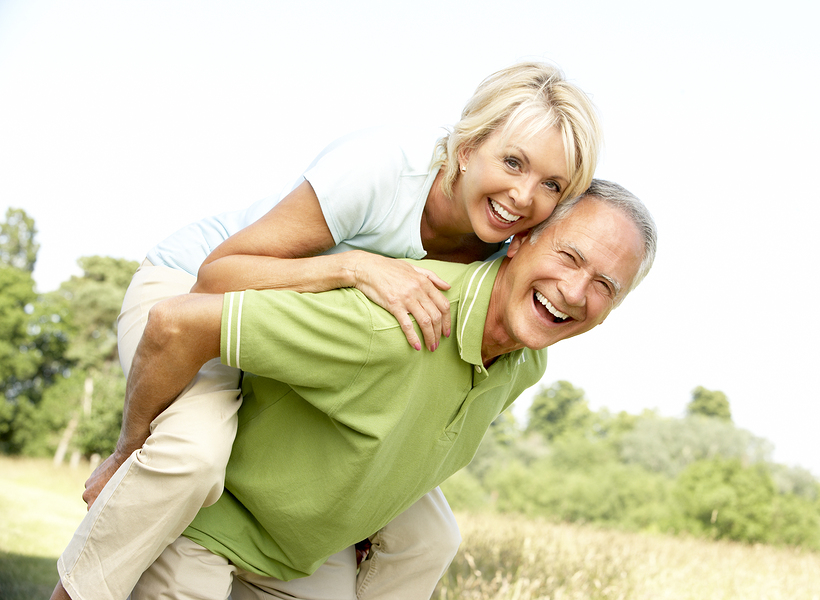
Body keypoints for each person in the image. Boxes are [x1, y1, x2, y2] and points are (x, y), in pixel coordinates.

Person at [52, 62, 602, 600]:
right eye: (512, 162)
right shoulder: (382, 168)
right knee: (192, 457)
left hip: (286, 334)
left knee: (428, 538)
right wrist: (353, 266)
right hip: (197, 287)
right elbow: (217, 277)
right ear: (466, 147)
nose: (524, 196)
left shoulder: (509, 250)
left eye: (551, 185)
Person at [123, 180, 658, 598]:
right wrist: (130, 449)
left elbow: (405, 435)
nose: (574, 291)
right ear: (520, 240)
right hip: (191, 272)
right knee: (188, 455)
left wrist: (365, 510)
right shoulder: (396, 300)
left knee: (431, 537)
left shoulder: (525, 357)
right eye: (570, 257)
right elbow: (181, 320)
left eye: (605, 286)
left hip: (290, 543)